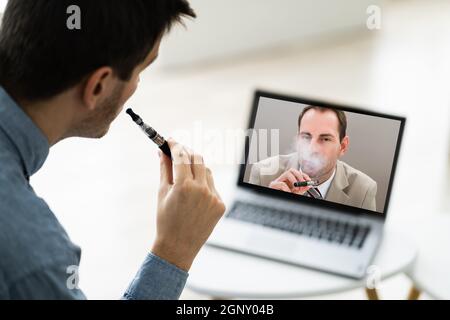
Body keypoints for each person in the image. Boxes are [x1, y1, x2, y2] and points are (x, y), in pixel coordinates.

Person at [0, 0, 226, 299]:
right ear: (97, 86)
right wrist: (174, 251)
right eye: (140, 70)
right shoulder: (35, 261)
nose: (137, 84)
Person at [249, 106, 377, 211]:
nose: (312, 149)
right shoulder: (262, 173)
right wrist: (268, 204)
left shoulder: (363, 189)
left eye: (325, 139)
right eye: (306, 137)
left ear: (342, 146)